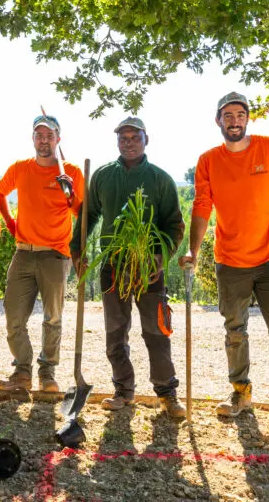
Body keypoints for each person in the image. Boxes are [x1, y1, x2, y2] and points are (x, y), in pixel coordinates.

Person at [179, 91, 269, 441]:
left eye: (240, 114)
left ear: (248, 119)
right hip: (229, 262)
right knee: (235, 332)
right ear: (218, 120)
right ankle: (240, 393)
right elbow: (201, 207)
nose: (235, 120)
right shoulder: (208, 160)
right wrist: (193, 250)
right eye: (228, 115)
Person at [71, 116, 186, 417]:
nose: (129, 142)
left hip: (149, 268)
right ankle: (123, 390)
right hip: (112, 266)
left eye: (135, 137)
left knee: (156, 331)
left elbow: (174, 225)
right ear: (117, 141)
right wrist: (77, 248)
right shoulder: (103, 176)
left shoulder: (160, 179)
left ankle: (167, 394)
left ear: (147, 139)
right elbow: (88, 215)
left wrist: (161, 257)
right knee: (115, 331)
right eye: (123, 137)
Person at [0, 115, 84, 392]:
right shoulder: (20, 168)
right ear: (33, 139)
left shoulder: (72, 173)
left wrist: (70, 195)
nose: (44, 140)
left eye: (49, 135)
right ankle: (22, 372)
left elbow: (82, 212)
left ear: (59, 139)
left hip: (55, 255)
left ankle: (47, 374)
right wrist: (11, 224)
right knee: (13, 316)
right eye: (39, 135)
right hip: (23, 253)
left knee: (52, 317)